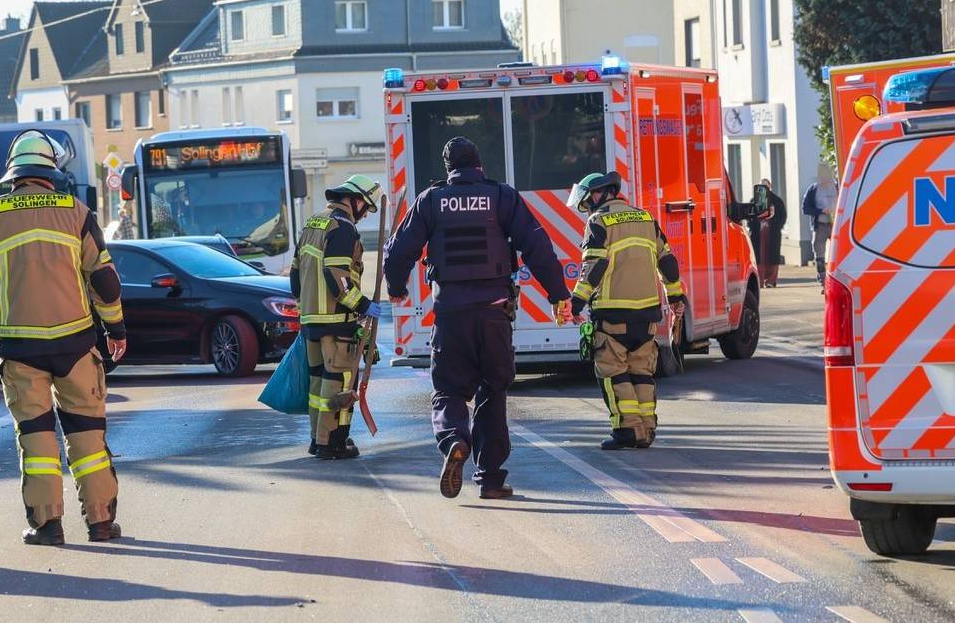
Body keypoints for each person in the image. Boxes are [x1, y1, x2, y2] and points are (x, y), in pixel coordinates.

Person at [384, 137, 571, 500]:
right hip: (494, 312)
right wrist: (558, 294)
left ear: (448, 167)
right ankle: (490, 479)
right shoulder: (501, 197)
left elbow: (399, 249)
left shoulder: (430, 201)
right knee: (492, 391)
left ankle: (454, 439)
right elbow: (537, 245)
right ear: (479, 163)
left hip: (452, 314)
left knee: (450, 391)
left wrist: (396, 287)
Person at [0, 131, 128, 546]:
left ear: (14, 173)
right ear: (50, 172)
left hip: (20, 349)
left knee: (37, 440)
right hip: (76, 343)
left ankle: (48, 526)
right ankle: (101, 524)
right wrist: (116, 330)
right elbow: (105, 280)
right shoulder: (77, 212)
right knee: (88, 436)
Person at [568, 172, 685, 451]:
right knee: (641, 372)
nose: (588, 206)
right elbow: (667, 261)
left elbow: (594, 267)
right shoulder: (645, 218)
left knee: (613, 372)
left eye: (589, 200)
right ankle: (645, 431)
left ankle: (625, 431)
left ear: (602, 193)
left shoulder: (599, 222)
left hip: (612, 312)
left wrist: (576, 302)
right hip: (646, 314)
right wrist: (676, 296)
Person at [289, 175, 381, 460]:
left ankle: (318, 439)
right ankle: (332, 443)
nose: (365, 215)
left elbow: (294, 274)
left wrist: (305, 308)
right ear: (354, 200)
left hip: (312, 323)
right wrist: (363, 304)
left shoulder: (312, 224)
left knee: (319, 381)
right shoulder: (343, 228)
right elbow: (337, 276)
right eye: (365, 208)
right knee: (339, 383)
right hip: (336, 321)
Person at [746, 179, 788, 288]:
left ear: (770, 187)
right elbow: (749, 216)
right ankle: (759, 281)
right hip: (757, 234)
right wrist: (753, 226)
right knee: (759, 257)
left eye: (766, 186)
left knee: (772, 257)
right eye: (762, 186)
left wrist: (776, 225)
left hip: (772, 233)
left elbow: (782, 216)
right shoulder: (753, 201)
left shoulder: (777, 201)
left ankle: (770, 280)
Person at [802, 171, 838, 287]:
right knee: (820, 257)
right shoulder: (813, 190)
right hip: (820, 226)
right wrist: (820, 211)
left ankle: (837, 281)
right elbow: (805, 209)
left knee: (839, 254)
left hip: (835, 226)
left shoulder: (838, 187)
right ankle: (824, 283)